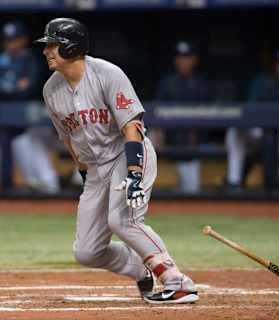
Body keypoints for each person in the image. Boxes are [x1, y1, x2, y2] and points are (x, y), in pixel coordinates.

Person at [35, 18, 198, 304]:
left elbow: (131, 128)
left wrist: (134, 173)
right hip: (97, 168)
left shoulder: (108, 74)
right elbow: (69, 140)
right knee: (86, 252)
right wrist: (86, 177)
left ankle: (177, 282)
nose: (47, 51)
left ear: (72, 47)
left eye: (53, 45)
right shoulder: (51, 90)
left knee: (123, 220)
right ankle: (139, 268)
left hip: (128, 153)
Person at [0, 22, 60, 193]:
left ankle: (47, 183)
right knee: (1, 146)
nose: (11, 44)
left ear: (23, 40)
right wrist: (12, 89)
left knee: (30, 140)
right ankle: (24, 186)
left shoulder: (32, 60)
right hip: (3, 118)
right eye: (8, 40)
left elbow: (30, 89)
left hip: (32, 120)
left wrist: (2, 90)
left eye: (14, 39)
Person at [226, 47, 279, 188]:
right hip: (262, 133)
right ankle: (233, 181)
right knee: (234, 133)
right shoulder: (262, 83)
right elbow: (250, 113)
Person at [154, 41, 209, 193]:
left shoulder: (201, 85)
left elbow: (208, 119)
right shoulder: (166, 83)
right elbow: (155, 114)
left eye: (187, 57)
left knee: (191, 196)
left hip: (192, 152)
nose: (183, 62)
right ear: (176, 60)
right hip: (168, 146)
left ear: (194, 60)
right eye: (180, 57)